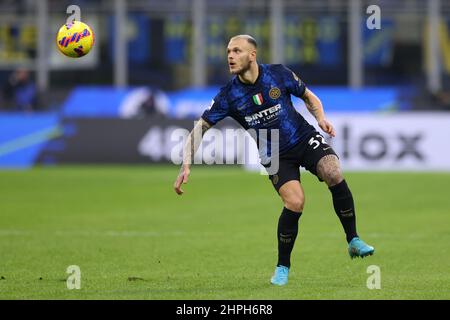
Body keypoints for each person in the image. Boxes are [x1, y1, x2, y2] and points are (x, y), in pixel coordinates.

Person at [173, 35, 374, 286]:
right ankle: (282, 267)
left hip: (301, 136)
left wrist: (321, 118)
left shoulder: (278, 74)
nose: (230, 56)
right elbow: (200, 127)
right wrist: (186, 163)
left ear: (252, 55)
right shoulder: (228, 95)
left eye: (236, 51)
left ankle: (353, 240)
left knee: (333, 171)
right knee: (295, 201)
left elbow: (309, 97)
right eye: (228, 52)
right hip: (273, 152)